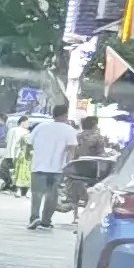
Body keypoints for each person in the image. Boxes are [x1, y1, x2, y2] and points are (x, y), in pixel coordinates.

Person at [21, 97, 78, 227]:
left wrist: (31, 156)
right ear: (65, 115)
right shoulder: (69, 130)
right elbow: (71, 150)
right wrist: (69, 167)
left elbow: (29, 143)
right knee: (52, 195)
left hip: (38, 166)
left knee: (37, 194)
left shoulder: (41, 127)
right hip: (58, 169)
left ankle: (34, 217)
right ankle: (46, 221)